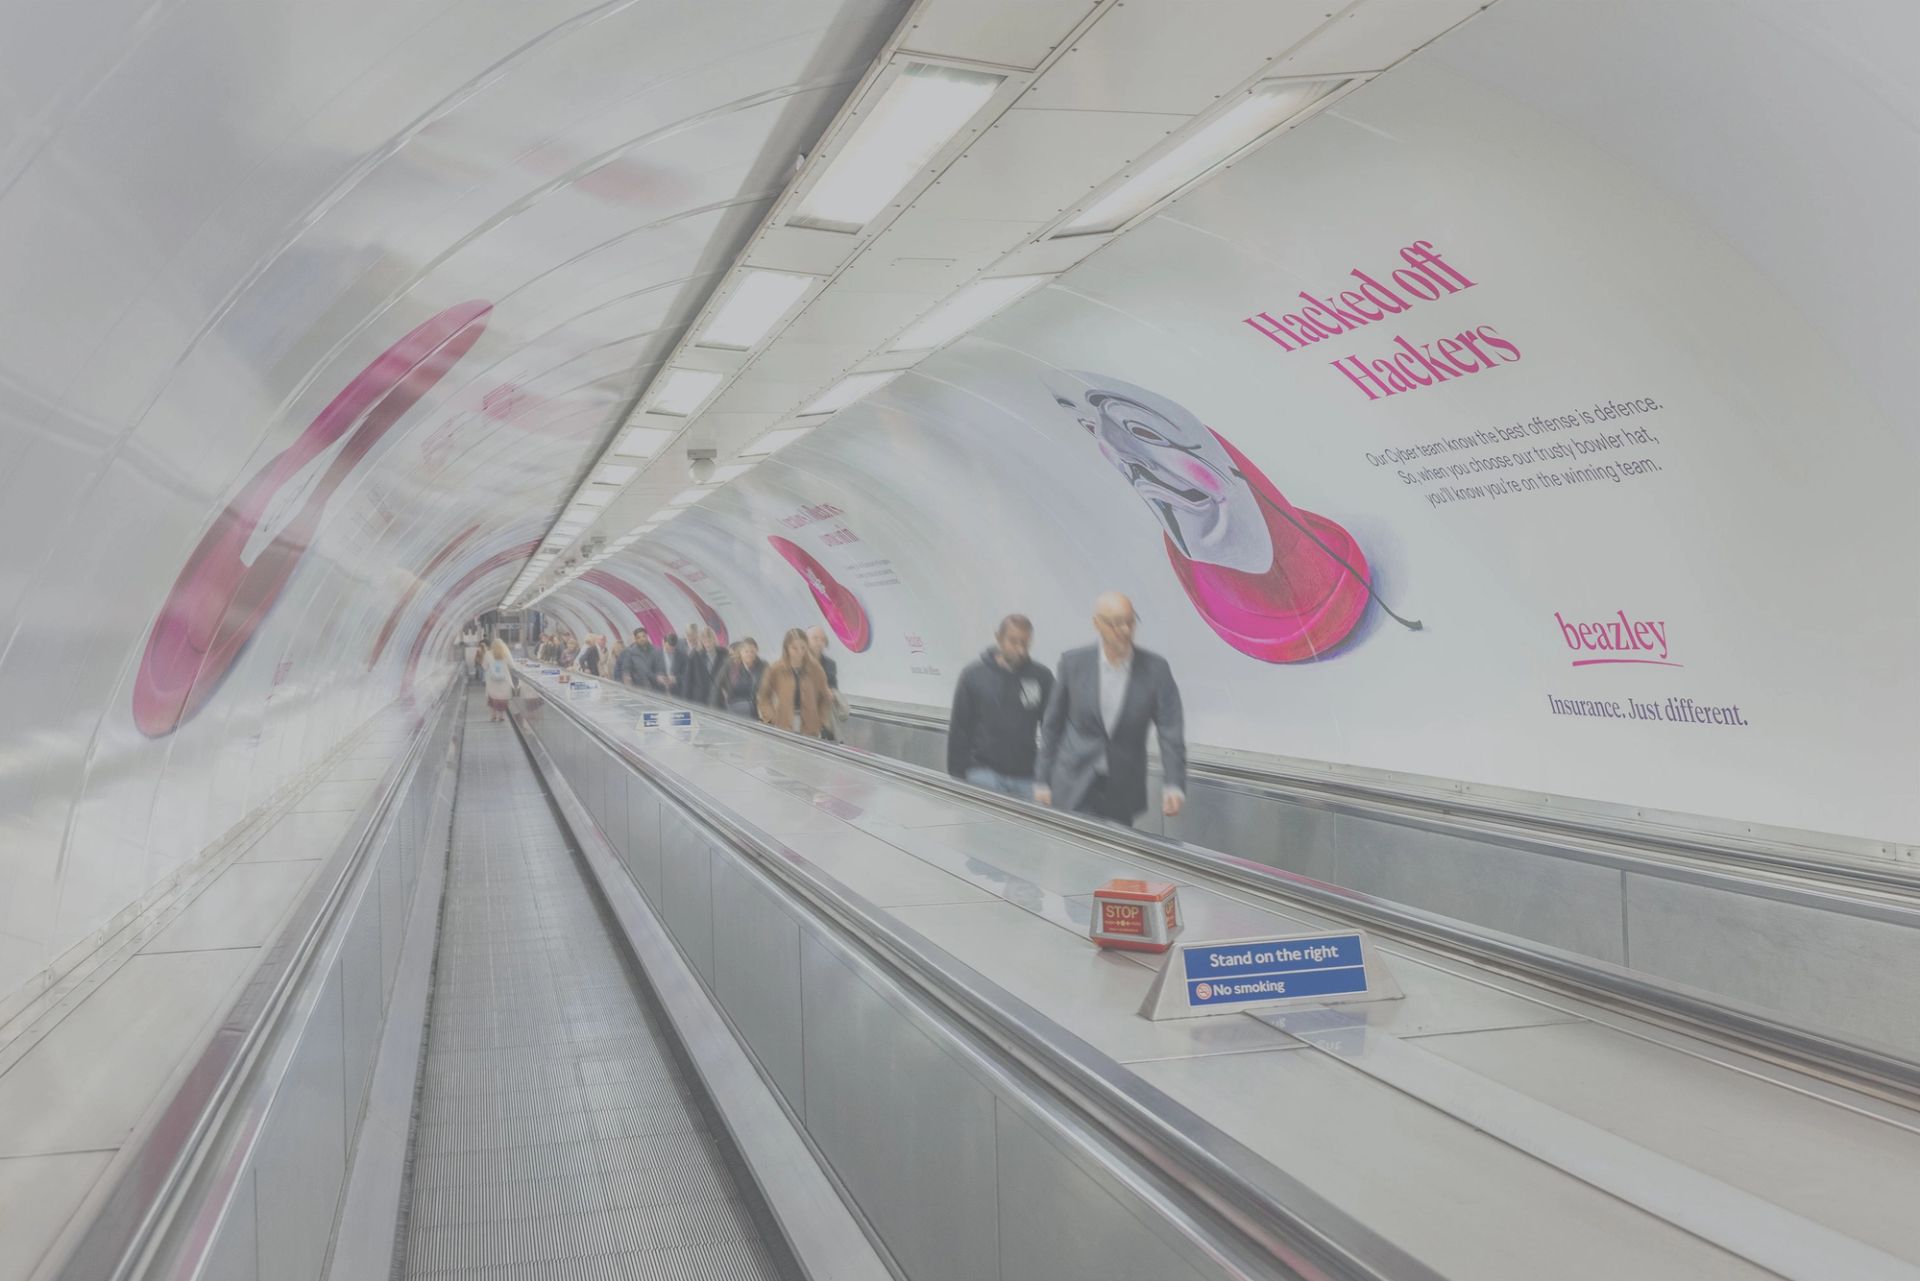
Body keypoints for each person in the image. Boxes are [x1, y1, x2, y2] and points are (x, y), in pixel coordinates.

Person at [1035, 592, 1187, 825]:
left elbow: (1170, 730)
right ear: (1097, 624)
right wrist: (1042, 779)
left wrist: (1174, 784)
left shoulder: (1156, 669)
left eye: (1130, 621)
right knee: (1076, 854)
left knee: (1117, 857)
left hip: (1122, 786)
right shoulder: (1073, 664)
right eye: (1116, 624)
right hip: (1073, 781)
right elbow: (1052, 725)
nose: (1125, 630)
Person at [948, 614, 1054, 799]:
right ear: (999, 638)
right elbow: (960, 729)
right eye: (1013, 642)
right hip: (983, 772)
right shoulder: (973, 675)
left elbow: (1052, 727)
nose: (1020, 649)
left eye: (1025, 643)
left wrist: (1048, 776)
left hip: (1026, 775)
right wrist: (957, 776)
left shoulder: (1041, 677)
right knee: (983, 826)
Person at [758, 628, 834, 737]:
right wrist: (771, 718)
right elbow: (763, 697)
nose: (800, 652)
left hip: (810, 727)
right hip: (783, 724)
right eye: (794, 648)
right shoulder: (776, 669)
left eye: (803, 648)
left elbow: (825, 696)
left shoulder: (815, 669)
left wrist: (820, 720)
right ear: (786, 648)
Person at [805, 625, 848, 741]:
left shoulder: (830, 664)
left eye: (822, 639)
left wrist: (832, 694)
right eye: (815, 638)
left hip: (825, 719)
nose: (819, 642)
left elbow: (834, 687)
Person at [712, 638, 765, 718]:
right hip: (732, 710)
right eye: (746, 651)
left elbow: (767, 691)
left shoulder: (763, 667)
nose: (749, 654)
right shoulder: (730, 665)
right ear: (740, 652)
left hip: (754, 713)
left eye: (752, 652)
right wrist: (715, 709)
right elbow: (717, 686)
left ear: (756, 652)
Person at [482, 638, 516, 722]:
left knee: (493, 698)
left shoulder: (488, 654)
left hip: (492, 680)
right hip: (504, 680)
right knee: (502, 698)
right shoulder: (505, 654)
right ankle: (501, 716)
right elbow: (512, 666)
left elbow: (484, 666)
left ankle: (493, 715)